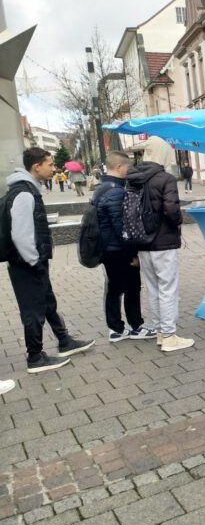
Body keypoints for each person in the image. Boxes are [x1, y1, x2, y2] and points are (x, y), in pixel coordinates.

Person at [4, 148, 95, 373]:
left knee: (46, 302)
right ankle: (35, 357)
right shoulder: (24, 193)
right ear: (36, 166)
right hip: (26, 263)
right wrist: (34, 261)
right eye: (50, 164)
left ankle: (64, 341)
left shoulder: (28, 190)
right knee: (33, 309)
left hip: (32, 261)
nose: (54, 169)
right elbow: (21, 234)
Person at [126, 159, 195, 352]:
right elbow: (172, 208)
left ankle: (159, 333)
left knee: (153, 289)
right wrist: (178, 223)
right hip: (164, 242)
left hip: (142, 243)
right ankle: (169, 336)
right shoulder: (166, 178)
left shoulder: (133, 179)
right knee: (168, 289)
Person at [98, 151, 157, 343]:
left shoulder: (101, 188)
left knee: (114, 288)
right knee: (131, 287)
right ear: (119, 167)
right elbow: (122, 227)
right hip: (118, 250)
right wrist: (132, 253)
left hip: (108, 249)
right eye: (128, 168)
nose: (130, 172)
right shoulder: (116, 191)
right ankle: (134, 326)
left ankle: (115, 328)